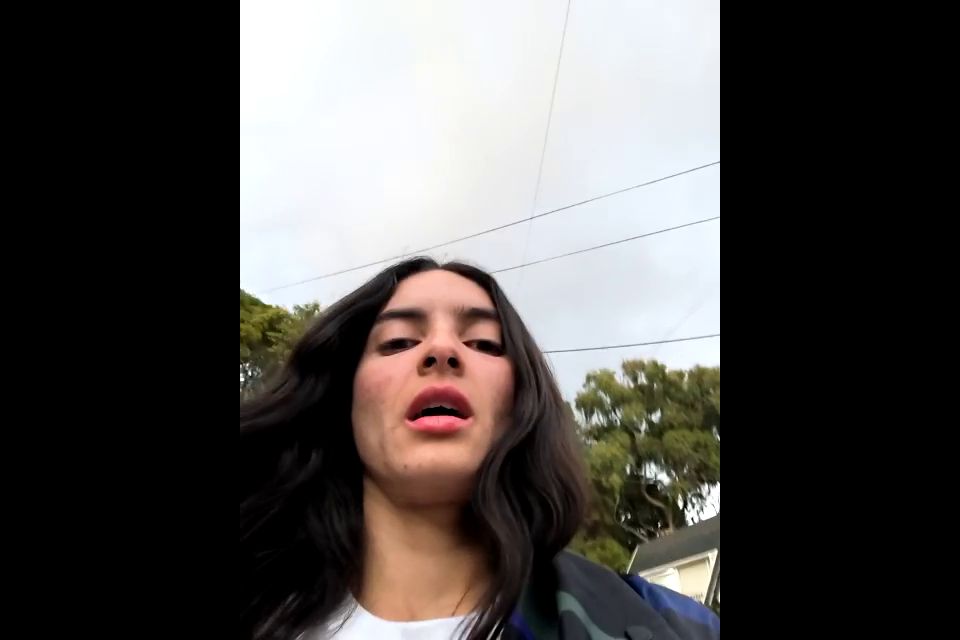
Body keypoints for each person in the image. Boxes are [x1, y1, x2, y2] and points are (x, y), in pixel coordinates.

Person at [240, 258, 720, 640]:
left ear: (519, 403)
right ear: (343, 401)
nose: (442, 351)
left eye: (484, 343)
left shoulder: (664, 627)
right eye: (399, 341)